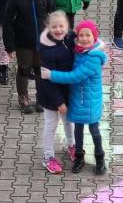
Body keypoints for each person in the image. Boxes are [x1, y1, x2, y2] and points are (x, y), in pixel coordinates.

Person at [40, 20, 108, 175]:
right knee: (78, 129)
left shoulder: (93, 58)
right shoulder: (78, 50)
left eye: (88, 35)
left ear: (94, 37)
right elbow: (67, 36)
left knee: (94, 130)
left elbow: (75, 76)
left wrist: (51, 75)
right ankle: (78, 157)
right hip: (78, 98)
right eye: (81, 35)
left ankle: (100, 158)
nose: (84, 38)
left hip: (90, 101)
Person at [2, 0, 54, 114]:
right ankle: (23, 97)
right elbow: (7, 23)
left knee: (40, 70)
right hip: (23, 43)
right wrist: (9, 46)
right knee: (24, 69)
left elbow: (54, 16)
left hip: (42, 43)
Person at [36, 11, 77, 173]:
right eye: (54, 27)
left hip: (67, 91)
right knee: (51, 125)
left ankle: (72, 145)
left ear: (67, 26)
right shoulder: (46, 50)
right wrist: (59, 102)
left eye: (61, 26)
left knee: (68, 121)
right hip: (50, 95)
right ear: (48, 27)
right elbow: (47, 81)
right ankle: (48, 157)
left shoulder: (70, 38)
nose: (58, 30)